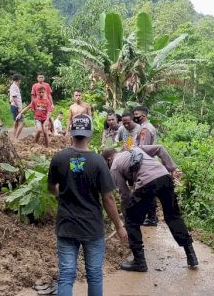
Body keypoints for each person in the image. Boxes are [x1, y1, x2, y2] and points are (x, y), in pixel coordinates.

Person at [48, 114, 127, 296]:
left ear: (71, 133)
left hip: (66, 225)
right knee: (94, 275)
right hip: (92, 227)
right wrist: (119, 226)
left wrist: (63, 195)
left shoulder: (59, 158)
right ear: (90, 133)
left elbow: (51, 188)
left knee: (66, 275)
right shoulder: (99, 161)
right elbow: (108, 198)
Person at [101, 145, 198, 272]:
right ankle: (191, 255)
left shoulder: (114, 167)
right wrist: (172, 168)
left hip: (147, 183)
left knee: (131, 220)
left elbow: (124, 195)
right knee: (173, 216)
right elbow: (159, 148)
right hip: (165, 177)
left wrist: (126, 215)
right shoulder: (135, 149)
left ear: (109, 160)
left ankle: (139, 262)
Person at [133, 106, 159, 226]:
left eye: (136, 114)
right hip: (148, 162)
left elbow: (143, 148)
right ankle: (151, 216)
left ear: (143, 115)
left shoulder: (146, 129)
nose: (135, 117)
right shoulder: (143, 127)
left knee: (148, 191)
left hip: (145, 162)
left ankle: (151, 217)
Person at [9, 74, 25, 140]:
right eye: (20, 80)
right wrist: (19, 107)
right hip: (15, 107)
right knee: (22, 123)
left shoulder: (15, 86)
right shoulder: (13, 86)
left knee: (16, 123)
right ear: (18, 80)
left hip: (14, 106)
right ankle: (16, 138)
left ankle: (14, 138)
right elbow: (14, 97)